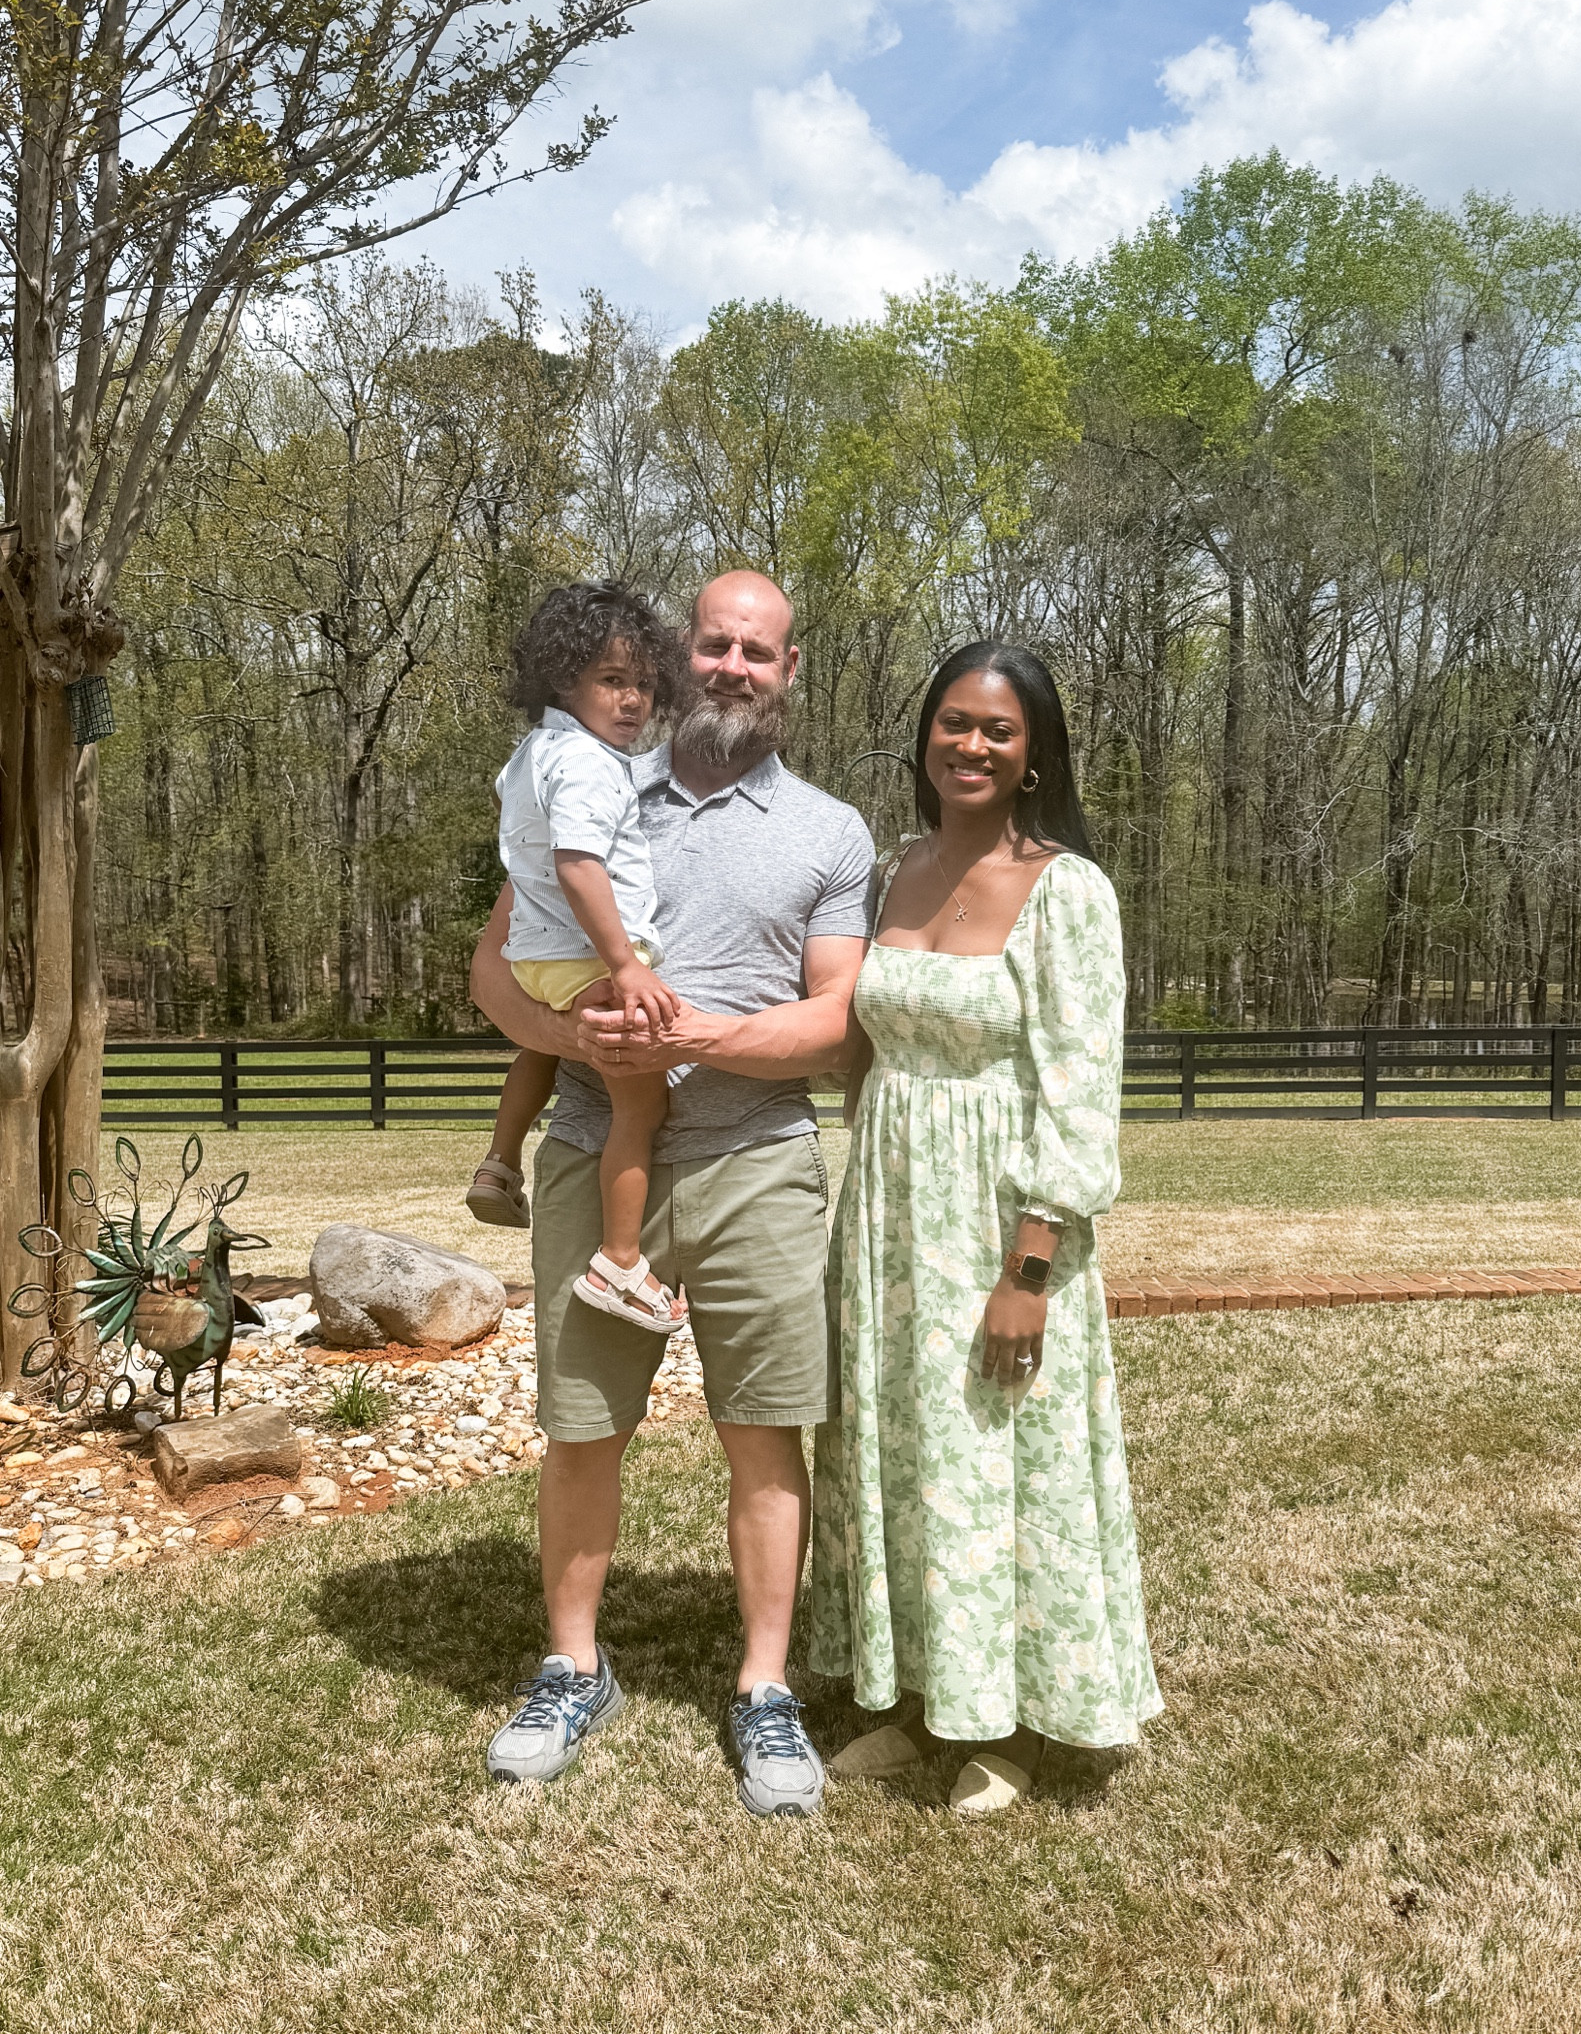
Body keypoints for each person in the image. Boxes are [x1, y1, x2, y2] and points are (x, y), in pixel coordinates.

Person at [469, 570, 875, 1818]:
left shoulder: (829, 832)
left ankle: (765, 1684)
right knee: (582, 1425)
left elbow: (839, 1022)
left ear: (787, 670)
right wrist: (577, 1039)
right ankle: (572, 1665)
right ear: (673, 653)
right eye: (713, 643)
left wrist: (696, 1035)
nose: (732, 666)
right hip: (598, 1150)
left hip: (759, 1160)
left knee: (766, 1428)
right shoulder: (587, 775)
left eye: (758, 649)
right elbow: (491, 972)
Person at [811, 640, 1163, 1812]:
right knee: (907, 1452)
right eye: (953, 721)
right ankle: (918, 1697)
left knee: (1002, 1454)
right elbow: (850, 1042)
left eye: (997, 729)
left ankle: (1008, 1720)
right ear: (924, 735)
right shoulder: (888, 873)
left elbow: (1079, 1087)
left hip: (999, 1215)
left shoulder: (1068, 890)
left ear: (1033, 756)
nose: (970, 743)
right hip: (889, 1216)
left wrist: (1030, 1265)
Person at [465, 581, 689, 1333]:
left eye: (644, 684)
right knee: (642, 1103)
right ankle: (620, 1261)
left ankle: (499, 1160)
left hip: (537, 954)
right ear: (563, 679)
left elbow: (518, 823)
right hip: (584, 954)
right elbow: (579, 863)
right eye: (612, 680)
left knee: (545, 1045)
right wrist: (625, 964)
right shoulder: (591, 764)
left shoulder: (534, 754)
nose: (632, 701)